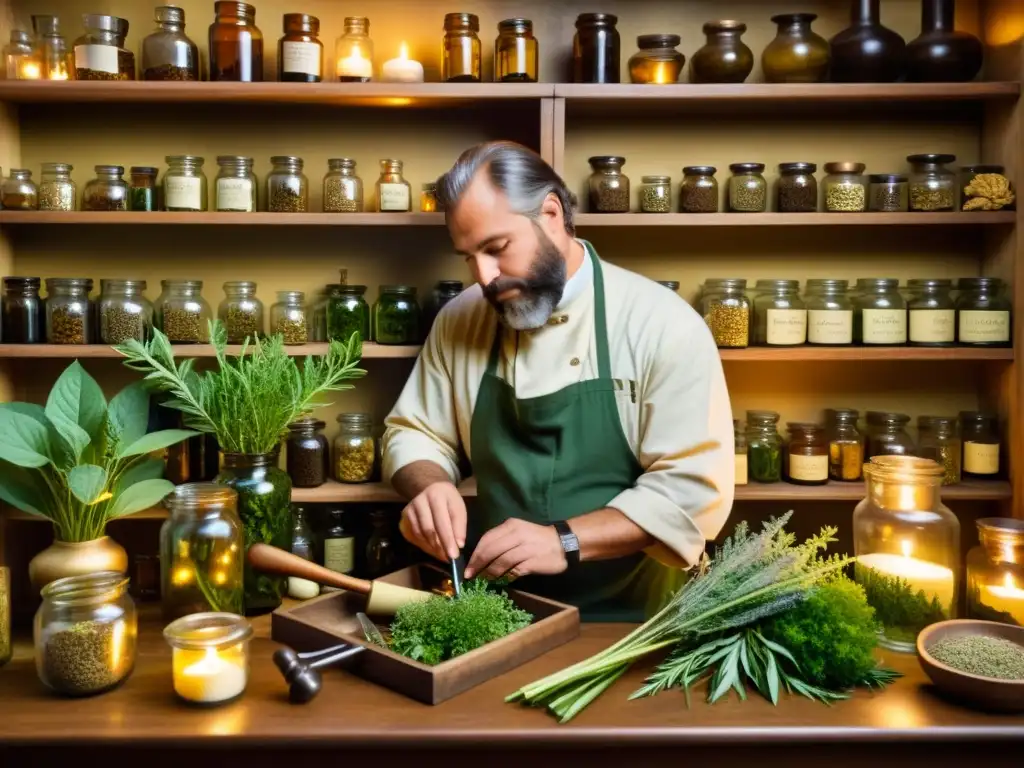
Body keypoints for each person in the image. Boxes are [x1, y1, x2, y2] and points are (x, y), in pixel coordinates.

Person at [381, 141, 734, 620]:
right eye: (468, 257)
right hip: (495, 615)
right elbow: (414, 432)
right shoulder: (460, 319)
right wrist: (431, 486)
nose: (484, 277)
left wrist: (563, 540)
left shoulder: (663, 324)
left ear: (551, 214)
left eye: (496, 248)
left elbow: (690, 493)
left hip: (634, 624)